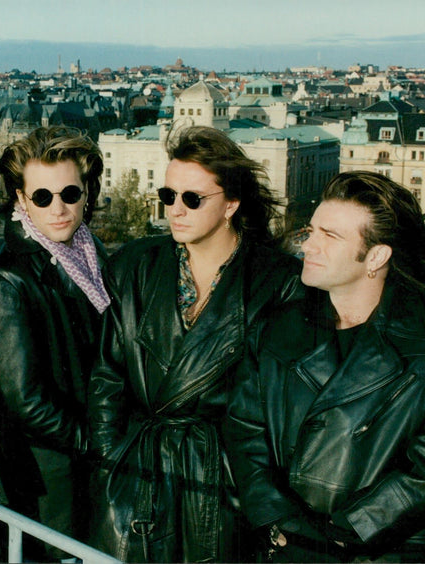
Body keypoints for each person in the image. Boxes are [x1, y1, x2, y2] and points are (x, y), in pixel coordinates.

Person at [223, 171, 425, 562]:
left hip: (387, 552)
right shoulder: (277, 328)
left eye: (330, 236)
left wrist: (343, 532)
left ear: (376, 256)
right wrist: (280, 519)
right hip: (289, 547)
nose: (308, 244)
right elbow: (244, 432)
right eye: (311, 230)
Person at [87, 126, 301, 562]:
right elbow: (107, 379)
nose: (175, 210)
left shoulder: (277, 280)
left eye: (192, 198)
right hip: (139, 477)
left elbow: (283, 408)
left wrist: (264, 500)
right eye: (168, 196)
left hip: (225, 484)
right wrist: (112, 463)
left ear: (231, 205)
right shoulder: (135, 266)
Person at [0, 126, 110, 559]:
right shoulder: (6, 281)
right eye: (42, 197)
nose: (58, 208)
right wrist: (97, 441)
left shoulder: (90, 253)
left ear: (87, 193)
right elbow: (25, 400)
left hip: (87, 460)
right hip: (51, 473)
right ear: (21, 199)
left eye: (70, 193)